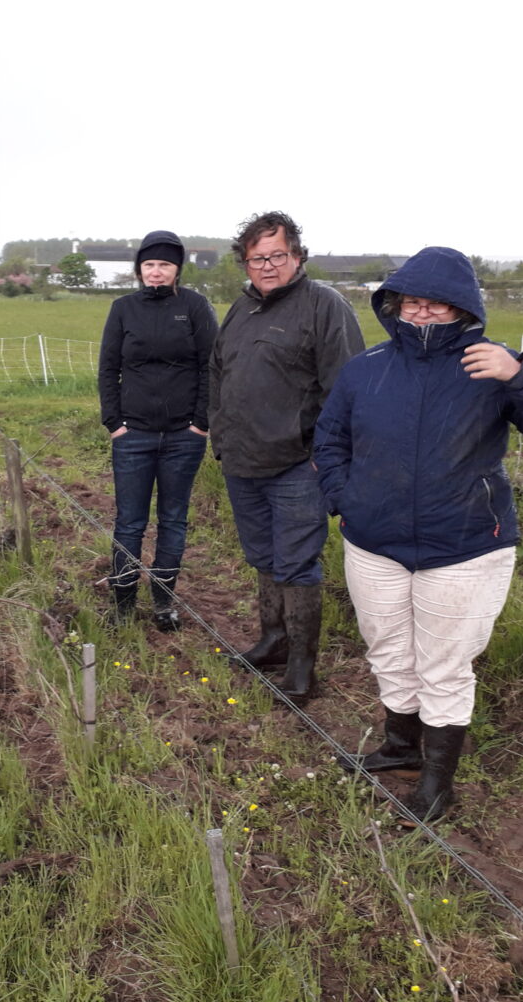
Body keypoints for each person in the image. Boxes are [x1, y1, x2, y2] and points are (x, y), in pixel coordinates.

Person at [314, 246, 523, 822]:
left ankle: (436, 782)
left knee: (444, 665)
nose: (422, 314)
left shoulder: (492, 367)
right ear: (394, 306)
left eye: (436, 305)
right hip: (373, 544)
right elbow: (329, 441)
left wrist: (522, 375)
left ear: (463, 309)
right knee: (388, 650)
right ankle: (399, 746)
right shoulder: (367, 368)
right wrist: (346, 503)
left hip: (464, 547)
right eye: (412, 303)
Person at [209, 211, 364, 702]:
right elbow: (218, 376)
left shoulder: (324, 307)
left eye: (278, 255)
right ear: (245, 263)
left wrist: (327, 457)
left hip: (298, 465)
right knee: (263, 557)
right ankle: (273, 638)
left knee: (297, 564)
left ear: (297, 256)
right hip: (241, 461)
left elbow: (345, 389)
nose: (268, 266)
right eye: (258, 258)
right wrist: (220, 437)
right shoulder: (241, 309)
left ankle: (302, 666)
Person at [97, 230, 219, 629]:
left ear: (177, 269)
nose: (156, 271)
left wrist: (201, 423)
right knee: (130, 522)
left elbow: (210, 368)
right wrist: (115, 423)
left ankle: (164, 603)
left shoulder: (195, 307)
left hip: (184, 437)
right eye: (149, 264)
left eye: (164, 264)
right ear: (139, 269)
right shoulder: (122, 309)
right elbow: (108, 369)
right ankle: (123, 603)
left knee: (173, 521)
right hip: (133, 436)